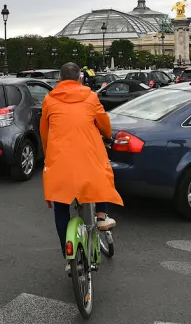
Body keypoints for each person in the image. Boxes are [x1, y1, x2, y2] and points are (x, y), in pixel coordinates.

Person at [40, 62, 123, 275]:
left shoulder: (49, 99)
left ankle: (68, 259)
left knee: (61, 208)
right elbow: (103, 123)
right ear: (80, 79)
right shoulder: (90, 96)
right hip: (87, 159)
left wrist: (48, 154)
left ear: (59, 80)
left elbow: (45, 132)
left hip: (59, 162)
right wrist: (106, 134)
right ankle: (102, 216)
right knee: (100, 172)